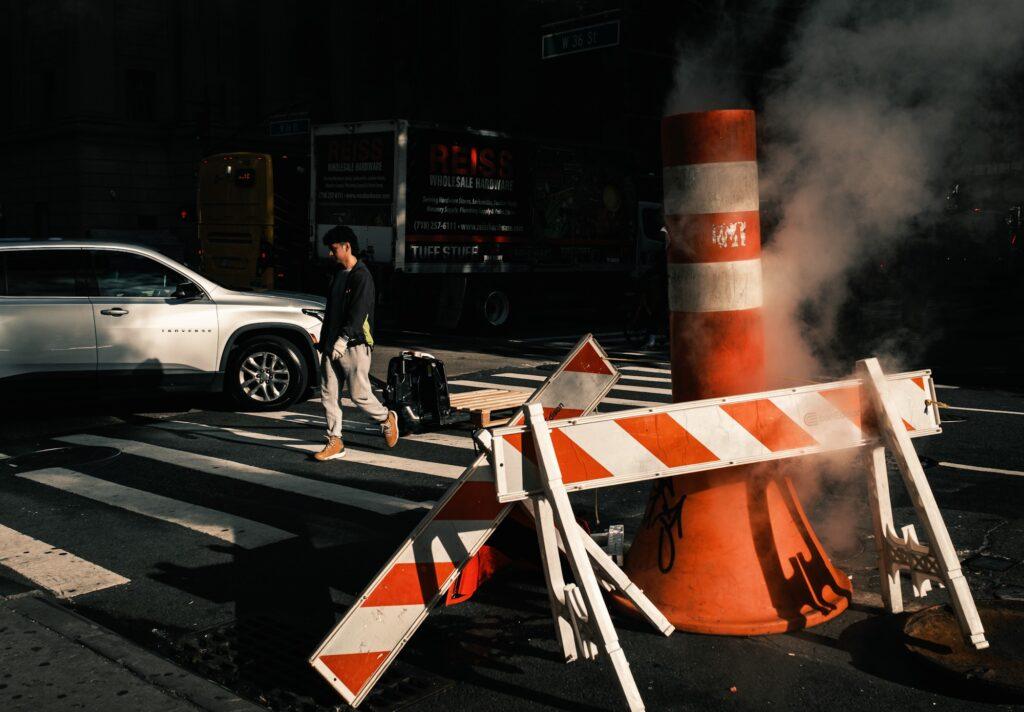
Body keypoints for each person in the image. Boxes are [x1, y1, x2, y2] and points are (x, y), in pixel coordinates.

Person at [314, 225, 398, 461]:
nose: (330, 254)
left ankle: (385, 418)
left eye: (333, 249)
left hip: (355, 344)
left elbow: (358, 313)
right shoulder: (338, 274)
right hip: (332, 345)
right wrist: (324, 342)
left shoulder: (362, 276)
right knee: (328, 394)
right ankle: (335, 440)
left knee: (359, 394)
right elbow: (332, 312)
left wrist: (343, 339)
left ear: (347, 247)